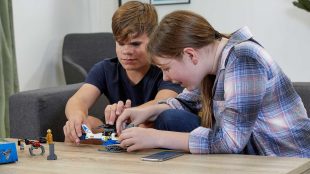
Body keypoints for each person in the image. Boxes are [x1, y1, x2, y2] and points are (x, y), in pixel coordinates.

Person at [116, 10, 310, 158]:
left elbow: (229, 142)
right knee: (171, 116)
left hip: (288, 161)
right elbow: (187, 102)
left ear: (190, 54)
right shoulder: (214, 66)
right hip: (255, 157)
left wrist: (155, 137)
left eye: (166, 68)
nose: (166, 77)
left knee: (170, 123)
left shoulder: (244, 59)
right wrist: (146, 111)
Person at [63, 1, 185, 144]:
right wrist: (77, 117)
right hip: (117, 131)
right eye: (120, 43)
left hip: (154, 132)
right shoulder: (105, 68)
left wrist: (127, 113)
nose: (126, 51)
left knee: (147, 124)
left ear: (154, 40)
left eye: (135, 44)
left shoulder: (166, 69)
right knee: (80, 128)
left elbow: (163, 102)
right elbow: (78, 100)